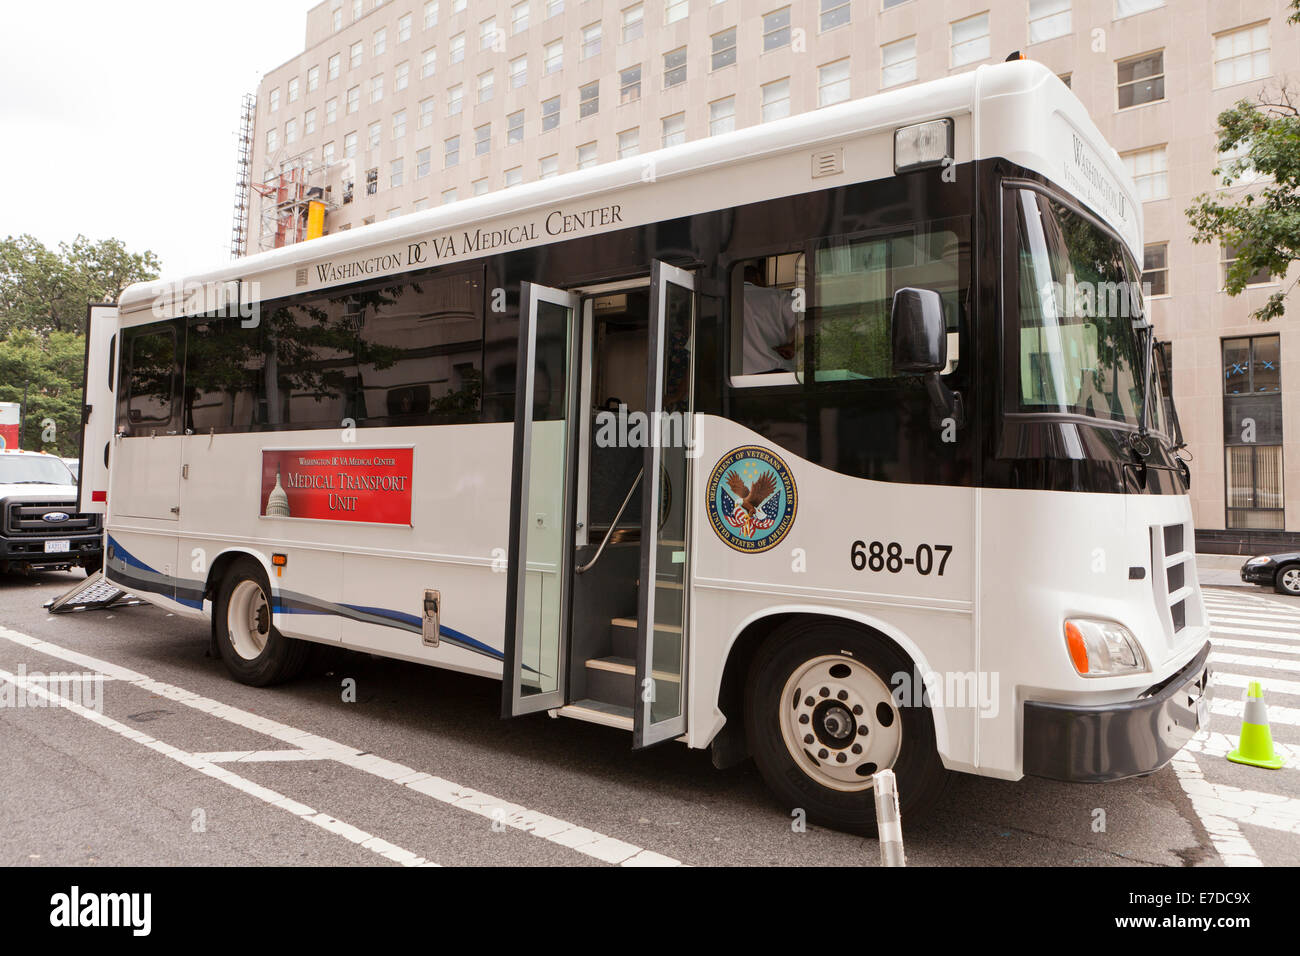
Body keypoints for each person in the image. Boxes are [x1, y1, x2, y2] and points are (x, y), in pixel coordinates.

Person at [741, 262, 798, 374]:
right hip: (775, 372)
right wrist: (794, 345)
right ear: (757, 277)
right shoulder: (778, 296)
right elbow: (810, 318)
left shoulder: (724, 300)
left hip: (736, 377)